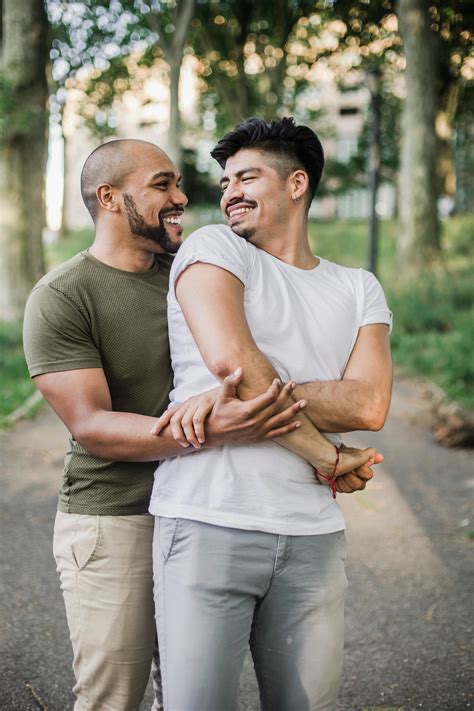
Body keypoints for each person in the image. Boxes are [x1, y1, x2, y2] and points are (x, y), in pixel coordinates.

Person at [22, 138, 307, 711]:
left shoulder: (195, 273)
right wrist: (215, 429)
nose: (181, 197)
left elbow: (264, 357)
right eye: (162, 185)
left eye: (178, 184)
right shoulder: (62, 296)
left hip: (200, 510)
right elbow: (93, 425)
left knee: (184, 695)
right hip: (116, 517)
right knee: (114, 698)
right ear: (108, 197)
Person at [149, 117, 393, 711]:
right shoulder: (214, 247)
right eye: (226, 178)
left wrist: (247, 391)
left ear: (297, 184)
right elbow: (233, 357)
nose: (229, 191)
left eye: (247, 176)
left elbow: (369, 403)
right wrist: (330, 457)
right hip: (208, 519)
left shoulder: (359, 287)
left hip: (313, 535)